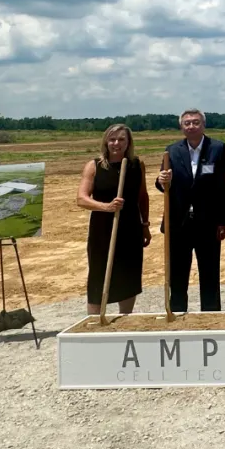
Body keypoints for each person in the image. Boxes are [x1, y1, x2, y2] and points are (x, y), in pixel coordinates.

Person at [155, 109, 225, 312]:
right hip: (179, 224)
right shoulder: (171, 151)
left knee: (210, 273)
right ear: (182, 127)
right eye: (187, 123)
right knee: (178, 274)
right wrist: (163, 181)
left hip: (208, 223)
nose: (191, 126)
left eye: (195, 122)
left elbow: (224, 188)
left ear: (203, 125)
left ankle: (211, 314)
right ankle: (178, 313)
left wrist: (223, 220)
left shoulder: (217, 148)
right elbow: (161, 184)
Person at [77, 124, 150, 315]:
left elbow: (142, 197)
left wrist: (145, 225)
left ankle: (125, 317)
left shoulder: (136, 165)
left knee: (129, 273)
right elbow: (81, 199)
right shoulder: (95, 166)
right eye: (112, 139)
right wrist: (106, 207)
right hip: (102, 229)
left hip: (130, 227)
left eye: (121, 139)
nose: (116, 143)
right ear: (106, 142)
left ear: (128, 142)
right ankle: (94, 320)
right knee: (99, 274)